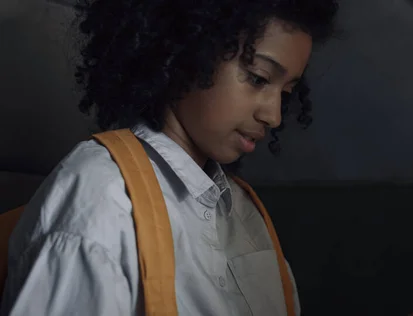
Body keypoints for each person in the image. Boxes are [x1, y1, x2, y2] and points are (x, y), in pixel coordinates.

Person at [0, 0, 338, 315]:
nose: (274, 115)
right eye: (258, 77)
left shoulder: (247, 214)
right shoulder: (101, 199)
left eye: (287, 92)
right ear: (186, 53)